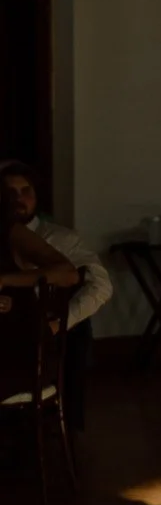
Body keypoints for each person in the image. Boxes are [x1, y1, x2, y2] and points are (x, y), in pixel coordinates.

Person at [0, 162, 112, 429]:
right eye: (10, 192)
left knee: (77, 333)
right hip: (11, 322)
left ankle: (64, 423)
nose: (18, 198)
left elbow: (98, 286)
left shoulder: (61, 238)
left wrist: (56, 325)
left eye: (25, 190)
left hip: (50, 327)